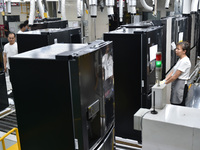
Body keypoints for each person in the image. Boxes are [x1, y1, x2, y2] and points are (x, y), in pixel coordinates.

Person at [164, 41, 191, 106]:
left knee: (178, 104)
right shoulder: (180, 59)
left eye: (178, 49)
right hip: (176, 84)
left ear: (184, 51)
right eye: (176, 48)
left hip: (181, 85)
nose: (176, 50)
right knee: (174, 102)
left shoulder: (185, 61)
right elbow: (173, 71)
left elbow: (175, 76)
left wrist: (164, 83)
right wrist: (165, 80)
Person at [3, 32, 18, 97]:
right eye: (10, 38)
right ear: (7, 38)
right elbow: (5, 56)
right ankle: (13, 91)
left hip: (17, 66)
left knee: (17, 79)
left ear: (15, 38)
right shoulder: (6, 46)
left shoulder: (17, 45)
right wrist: (5, 65)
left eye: (12, 38)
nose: (11, 39)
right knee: (11, 79)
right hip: (9, 66)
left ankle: (18, 91)